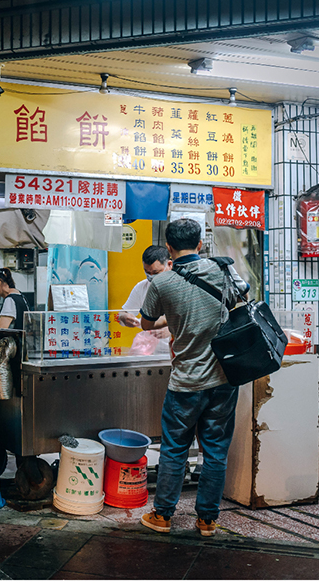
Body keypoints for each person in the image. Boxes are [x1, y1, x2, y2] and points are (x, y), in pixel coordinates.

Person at [138, 219, 246, 537]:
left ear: (168, 249)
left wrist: (172, 314)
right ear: (200, 244)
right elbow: (242, 296)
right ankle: (207, 520)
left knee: (174, 449)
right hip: (223, 380)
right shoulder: (223, 270)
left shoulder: (162, 282)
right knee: (215, 451)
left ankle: (163, 516)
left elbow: (146, 324)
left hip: (185, 382)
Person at [117, 245, 173, 355]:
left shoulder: (182, 286)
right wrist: (124, 317)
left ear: (169, 265)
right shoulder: (141, 287)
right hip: (150, 354)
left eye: (156, 272)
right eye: (147, 273)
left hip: (176, 353)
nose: (151, 277)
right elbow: (121, 315)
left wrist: (172, 330)